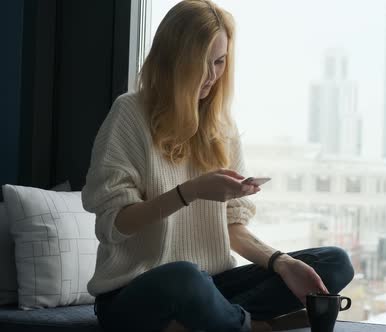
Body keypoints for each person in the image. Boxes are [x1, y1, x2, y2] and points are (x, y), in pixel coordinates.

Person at [81, 1, 354, 331]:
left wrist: (280, 262)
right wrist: (191, 192)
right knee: (184, 277)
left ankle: (213, 320)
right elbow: (115, 223)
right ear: (174, 60)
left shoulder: (222, 127)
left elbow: (232, 228)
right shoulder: (129, 114)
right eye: (202, 64)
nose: (212, 75)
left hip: (210, 287)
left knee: (334, 263)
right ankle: (254, 325)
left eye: (220, 61)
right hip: (135, 294)